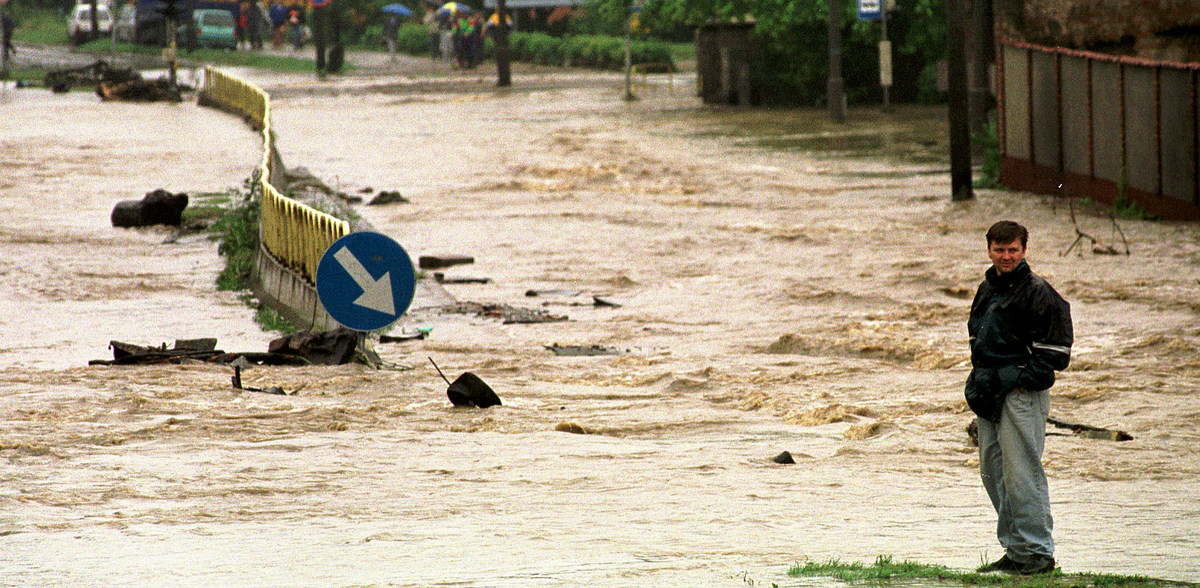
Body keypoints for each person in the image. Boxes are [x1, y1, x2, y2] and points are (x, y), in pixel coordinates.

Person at [966, 220, 1072, 576]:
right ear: (989, 251)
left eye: (1013, 249)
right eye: (999, 249)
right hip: (989, 393)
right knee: (993, 472)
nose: (1006, 256)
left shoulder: (1039, 292)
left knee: (1022, 473)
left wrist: (1017, 380)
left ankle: (1038, 554)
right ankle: (1016, 549)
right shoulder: (986, 289)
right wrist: (981, 382)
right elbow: (976, 338)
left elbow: (1057, 353)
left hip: (1022, 395)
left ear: (1024, 250)